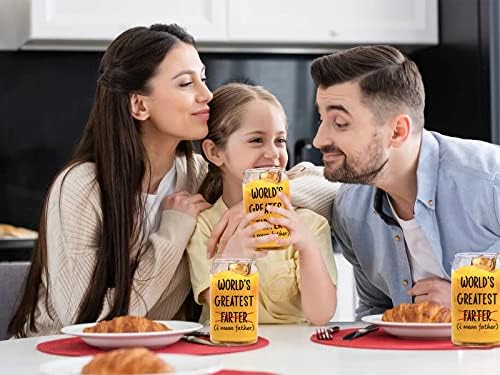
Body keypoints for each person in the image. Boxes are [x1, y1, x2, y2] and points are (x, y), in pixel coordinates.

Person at [9, 24, 336, 337]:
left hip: (168, 352)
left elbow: (330, 190)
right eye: (185, 83)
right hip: (54, 353)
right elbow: (86, 319)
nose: (206, 94)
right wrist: (172, 232)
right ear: (139, 104)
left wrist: (262, 196)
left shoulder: (197, 173)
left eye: (203, 79)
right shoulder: (82, 186)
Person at [310, 45, 500, 319]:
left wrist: (472, 300)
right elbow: (376, 312)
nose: (319, 140)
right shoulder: (350, 209)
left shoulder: (489, 181)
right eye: (321, 119)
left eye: (339, 123)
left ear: (398, 131)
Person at [186, 83, 338, 325]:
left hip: (296, 355)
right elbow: (223, 314)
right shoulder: (204, 227)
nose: (273, 153)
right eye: (257, 140)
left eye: (279, 140)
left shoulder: (310, 224)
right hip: (229, 348)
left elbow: (320, 316)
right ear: (214, 152)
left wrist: (307, 246)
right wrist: (235, 258)